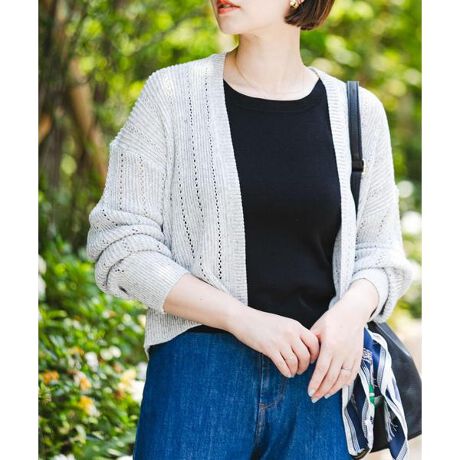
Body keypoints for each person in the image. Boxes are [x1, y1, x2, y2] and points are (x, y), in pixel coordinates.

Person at [86, 0, 414, 458]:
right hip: (199, 378)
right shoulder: (172, 96)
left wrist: (350, 315)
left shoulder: (357, 113)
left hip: (319, 383)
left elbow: (381, 254)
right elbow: (119, 244)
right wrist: (242, 319)